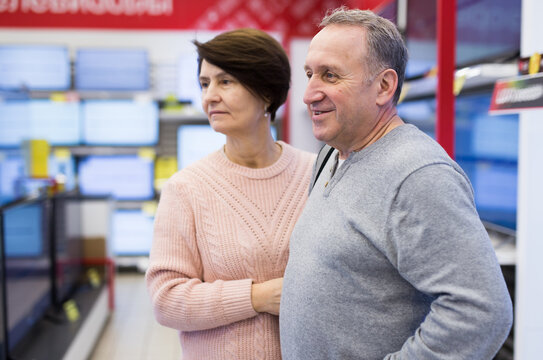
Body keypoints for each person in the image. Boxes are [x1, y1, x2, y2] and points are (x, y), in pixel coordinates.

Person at [280, 7, 513, 360]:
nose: (309, 93)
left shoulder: (418, 175)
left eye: (330, 76)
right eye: (310, 73)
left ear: (384, 86)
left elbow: (482, 312)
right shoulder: (332, 153)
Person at [145, 28, 315, 360]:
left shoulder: (317, 175)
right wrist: (258, 297)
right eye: (205, 84)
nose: (209, 96)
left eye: (225, 82)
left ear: (266, 91)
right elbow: (165, 300)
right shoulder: (186, 189)